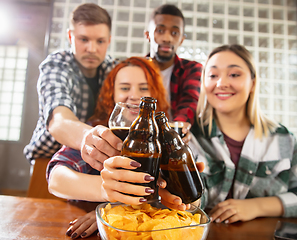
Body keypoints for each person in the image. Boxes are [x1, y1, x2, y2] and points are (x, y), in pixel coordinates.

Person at [46, 57, 196, 238]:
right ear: (112, 94)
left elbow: (192, 201)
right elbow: (56, 178)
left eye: (143, 88)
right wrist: (108, 197)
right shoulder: (99, 133)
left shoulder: (167, 140)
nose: (134, 95)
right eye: (125, 88)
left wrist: (120, 212)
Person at [188, 44, 297, 224]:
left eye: (234, 74)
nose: (221, 83)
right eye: (212, 75)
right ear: (204, 83)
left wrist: (258, 206)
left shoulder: (281, 139)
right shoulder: (188, 136)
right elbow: (183, 199)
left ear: (253, 83)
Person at [23, 3, 120, 170]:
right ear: (70, 36)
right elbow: (58, 120)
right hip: (48, 160)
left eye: (100, 41)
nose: (92, 49)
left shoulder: (115, 70)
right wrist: (88, 138)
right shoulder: (57, 65)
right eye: (84, 39)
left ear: (109, 40)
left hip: (97, 164)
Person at [144, 4, 202, 127]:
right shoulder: (133, 70)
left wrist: (177, 129)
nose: (167, 38)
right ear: (148, 35)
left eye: (175, 32)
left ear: (181, 39)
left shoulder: (192, 69)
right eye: (160, 30)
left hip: (174, 138)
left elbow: (189, 103)